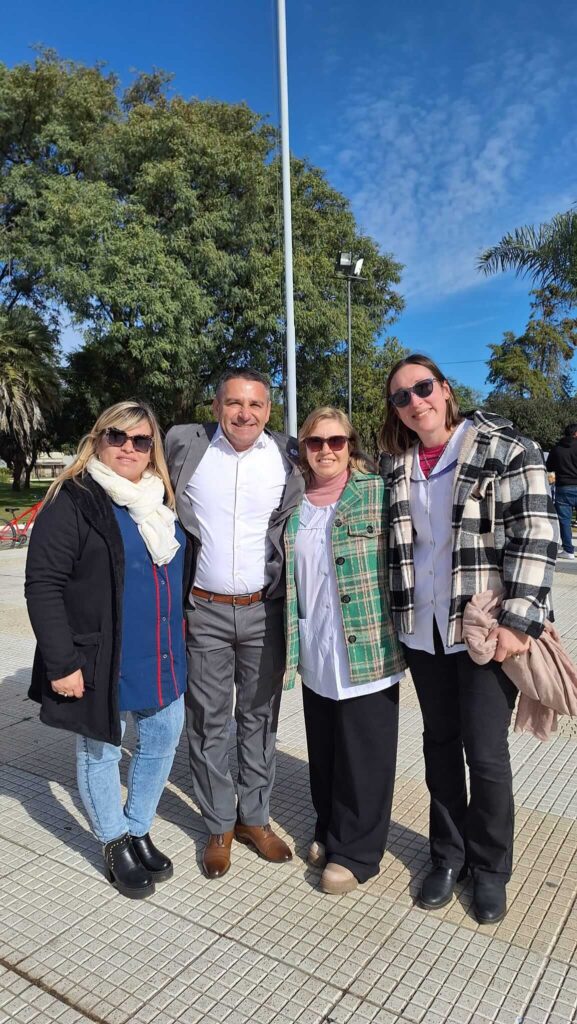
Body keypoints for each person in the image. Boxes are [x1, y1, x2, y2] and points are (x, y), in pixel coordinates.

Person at [381, 354, 558, 924]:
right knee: (439, 747)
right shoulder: (397, 464)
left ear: (446, 390)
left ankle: (490, 868)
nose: (415, 402)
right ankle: (447, 855)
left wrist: (518, 623)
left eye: (423, 388)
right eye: (402, 397)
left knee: (484, 755)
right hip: (423, 631)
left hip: (482, 631)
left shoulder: (505, 449)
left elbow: (535, 534)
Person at [25, 401, 189, 900]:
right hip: (104, 656)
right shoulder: (73, 499)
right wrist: (62, 662)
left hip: (162, 653)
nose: (129, 448)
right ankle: (113, 839)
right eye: (118, 436)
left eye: (141, 441)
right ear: (98, 439)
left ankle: (138, 826)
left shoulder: (161, 502)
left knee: (161, 740)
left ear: (152, 449)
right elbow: (43, 584)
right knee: (101, 750)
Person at [165, 369, 304, 878]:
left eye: (256, 405)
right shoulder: (186, 445)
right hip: (204, 609)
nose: (244, 414)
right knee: (208, 720)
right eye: (234, 403)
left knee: (260, 717)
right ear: (217, 405)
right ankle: (219, 823)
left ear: (269, 410)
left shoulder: (290, 454)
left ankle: (255, 817)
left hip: (265, 609)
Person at [283, 408, 405, 895]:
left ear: (350, 445)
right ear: (303, 449)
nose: (326, 450)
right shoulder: (293, 503)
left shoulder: (376, 494)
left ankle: (358, 851)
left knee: (365, 754)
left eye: (336, 441)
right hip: (316, 646)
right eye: (315, 442)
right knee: (326, 749)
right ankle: (329, 826)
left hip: (367, 645)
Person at [546, 424, 577, 559]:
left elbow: (549, 467)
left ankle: (568, 550)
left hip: (563, 487)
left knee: (565, 520)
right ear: (575, 433)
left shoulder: (556, 448)